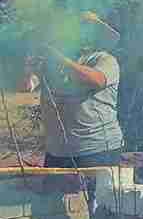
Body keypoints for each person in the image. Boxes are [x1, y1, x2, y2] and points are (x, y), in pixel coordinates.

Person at [38, 12, 123, 169]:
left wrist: (60, 60)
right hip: (57, 151)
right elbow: (23, 86)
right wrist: (26, 67)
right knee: (51, 193)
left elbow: (95, 79)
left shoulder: (105, 59)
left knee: (96, 194)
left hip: (98, 150)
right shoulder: (50, 62)